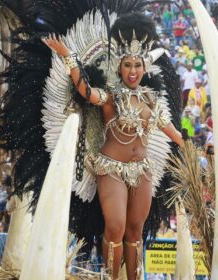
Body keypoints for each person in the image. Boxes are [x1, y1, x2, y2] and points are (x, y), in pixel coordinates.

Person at [42, 12, 185, 279]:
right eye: (128, 65)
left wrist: (196, 148)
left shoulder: (151, 100)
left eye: (137, 66)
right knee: (116, 228)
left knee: (135, 232)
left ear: (144, 68)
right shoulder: (111, 97)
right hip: (111, 169)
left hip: (141, 170)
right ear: (120, 67)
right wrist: (68, 55)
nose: (132, 71)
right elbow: (85, 91)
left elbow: (173, 131)